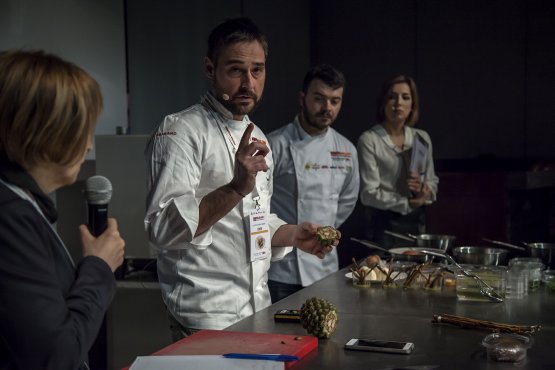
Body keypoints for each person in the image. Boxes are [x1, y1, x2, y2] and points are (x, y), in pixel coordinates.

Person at [144, 17, 336, 340]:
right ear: (209, 68)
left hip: (257, 310)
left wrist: (292, 234)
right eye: (236, 70)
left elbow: (253, 221)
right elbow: (162, 230)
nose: (248, 83)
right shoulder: (180, 132)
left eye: (257, 70)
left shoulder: (258, 136)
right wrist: (235, 188)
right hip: (204, 316)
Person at [0, 50, 125, 370]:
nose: (87, 146)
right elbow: (55, 356)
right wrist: (98, 267)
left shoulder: (21, 203)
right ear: (45, 131)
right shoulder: (10, 216)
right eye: (81, 130)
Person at [266, 64, 359, 302]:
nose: (327, 108)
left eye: (335, 101)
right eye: (319, 99)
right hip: (282, 268)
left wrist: (323, 232)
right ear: (302, 98)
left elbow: (347, 200)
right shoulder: (275, 144)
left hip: (324, 266)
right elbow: (259, 201)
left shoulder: (346, 149)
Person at [357, 74, 439, 248]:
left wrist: (425, 192)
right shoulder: (370, 139)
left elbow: (432, 181)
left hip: (416, 225)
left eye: (405, 97)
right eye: (392, 97)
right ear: (383, 102)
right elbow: (367, 193)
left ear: (412, 105)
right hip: (382, 226)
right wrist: (405, 202)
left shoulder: (421, 138)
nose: (398, 103)